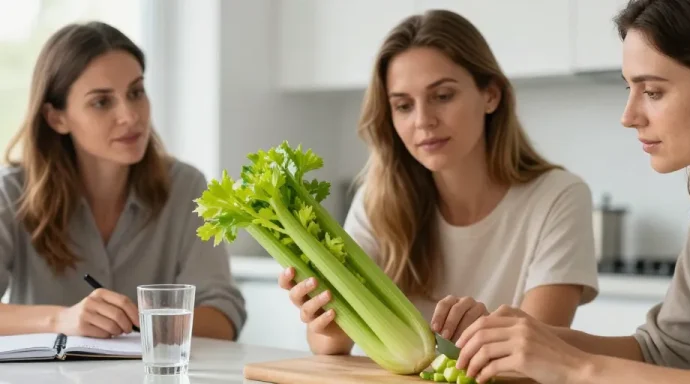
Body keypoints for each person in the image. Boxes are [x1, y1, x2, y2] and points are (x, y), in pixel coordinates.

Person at [447, 0, 690, 383]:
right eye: (629, 88)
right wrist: (524, 340)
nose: (628, 116)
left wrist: (572, 368)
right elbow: (661, 348)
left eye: (652, 91)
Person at [278, 9, 600, 356]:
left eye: (443, 96)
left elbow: (538, 357)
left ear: (491, 95)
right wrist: (324, 318)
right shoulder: (377, 200)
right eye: (403, 106)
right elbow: (331, 347)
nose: (423, 121)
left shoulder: (559, 197)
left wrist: (487, 331)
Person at [0, 21, 247, 341]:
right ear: (56, 118)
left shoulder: (186, 188)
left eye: (136, 92)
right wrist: (62, 319)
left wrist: (140, 325)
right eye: (102, 101)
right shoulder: (12, 192)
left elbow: (223, 316)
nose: (130, 116)